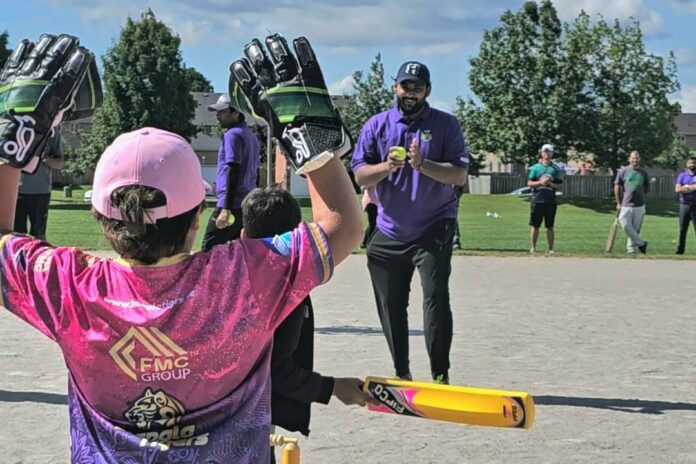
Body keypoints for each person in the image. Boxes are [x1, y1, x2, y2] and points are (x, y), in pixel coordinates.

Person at [0, 34, 363, 463]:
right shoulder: (244, 277)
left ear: (102, 218)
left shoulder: (70, 287)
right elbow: (343, 226)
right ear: (196, 220)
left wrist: (11, 137)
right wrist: (308, 133)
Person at [351, 61, 469, 384]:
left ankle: (440, 373)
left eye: (417, 88)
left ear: (427, 91)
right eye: (405, 86)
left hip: (434, 225)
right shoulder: (377, 125)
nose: (410, 93)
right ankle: (401, 371)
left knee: (435, 296)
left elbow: (459, 174)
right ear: (395, 88)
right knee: (391, 304)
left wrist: (423, 164)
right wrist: (387, 167)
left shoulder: (446, 125)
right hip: (389, 228)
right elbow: (360, 173)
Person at [240, 186, 372, 463]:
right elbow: (277, 370)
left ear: (243, 235)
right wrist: (334, 387)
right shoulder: (286, 291)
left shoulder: (229, 275)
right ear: (298, 233)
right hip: (248, 418)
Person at [201, 93, 260, 251]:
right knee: (234, 252)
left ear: (235, 113)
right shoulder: (251, 137)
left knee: (208, 251)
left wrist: (225, 208)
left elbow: (233, 169)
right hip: (244, 205)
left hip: (231, 204)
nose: (218, 116)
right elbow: (256, 172)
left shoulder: (232, 135)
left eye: (222, 112)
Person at [13, 128, 64, 240]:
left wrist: (42, 158)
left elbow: (60, 164)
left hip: (40, 191)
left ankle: (40, 257)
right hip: (15, 191)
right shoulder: (15, 127)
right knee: (16, 236)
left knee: (39, 235)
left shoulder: (51, 131)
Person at [527, 144, 563, 254]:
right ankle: (533, 247)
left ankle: (551, 248)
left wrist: (550, 184)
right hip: (537, 199)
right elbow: (529, 183)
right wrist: (540, 182)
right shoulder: (535, 168)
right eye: (545, 152)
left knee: (550, 226)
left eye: (549, 152)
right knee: (535, 225)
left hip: (550, 200)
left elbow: (559, 185)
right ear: (541, 153)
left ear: (552, 153)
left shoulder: (556, 169)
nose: (547, 154)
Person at [614, 150, 650, 254]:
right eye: (633, 158)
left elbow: (647, 186)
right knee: (625, 225)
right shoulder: (623, 171)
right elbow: (617, 185)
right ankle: (642, 243)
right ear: (629, 159)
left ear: (640, 159)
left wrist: (642, 195)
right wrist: (618, 202)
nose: (635, 160)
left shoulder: (643, 172)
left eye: (637, 158)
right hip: (626, 204)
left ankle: (631, 249)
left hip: (639, 205)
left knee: (635, 229)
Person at [674, 156, 696, 255]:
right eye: (690, 163)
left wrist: (685, 187)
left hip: (695, 205)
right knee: (682, 229)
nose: (692, 165)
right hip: (684, 205)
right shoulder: (682, 175)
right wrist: (692, 187)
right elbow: (677, 189)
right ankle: (680, 250)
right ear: (687, 165)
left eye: (694, 163)